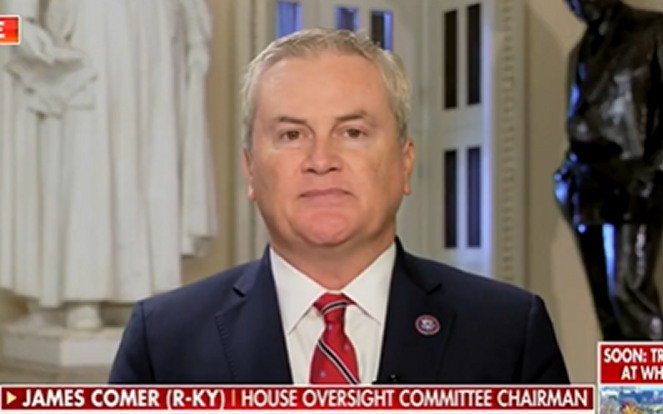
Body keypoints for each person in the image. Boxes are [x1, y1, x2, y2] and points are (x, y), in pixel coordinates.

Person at [110, 29, 569, 384]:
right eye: (292, 135)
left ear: (404, 163)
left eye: (353, 133)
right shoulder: (163, 341)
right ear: (251, 171)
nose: (321, 160)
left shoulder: (508, 332)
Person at [0, 0, 216, 329]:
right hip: (84, 35)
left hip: (153, 35)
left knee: (147, 159)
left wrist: (197, 32)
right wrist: (15, 30)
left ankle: (137, 290)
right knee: (87, 161)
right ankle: (77, 293)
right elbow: (7, 22)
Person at [554, 0, 663, 340]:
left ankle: (654, 377)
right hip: (587, 190)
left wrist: (652, 172)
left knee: (629, 296)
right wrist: (565, 177)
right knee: (607, 310)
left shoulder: (652, 31)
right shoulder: (580, 51)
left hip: (633, 188)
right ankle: (622, 379)